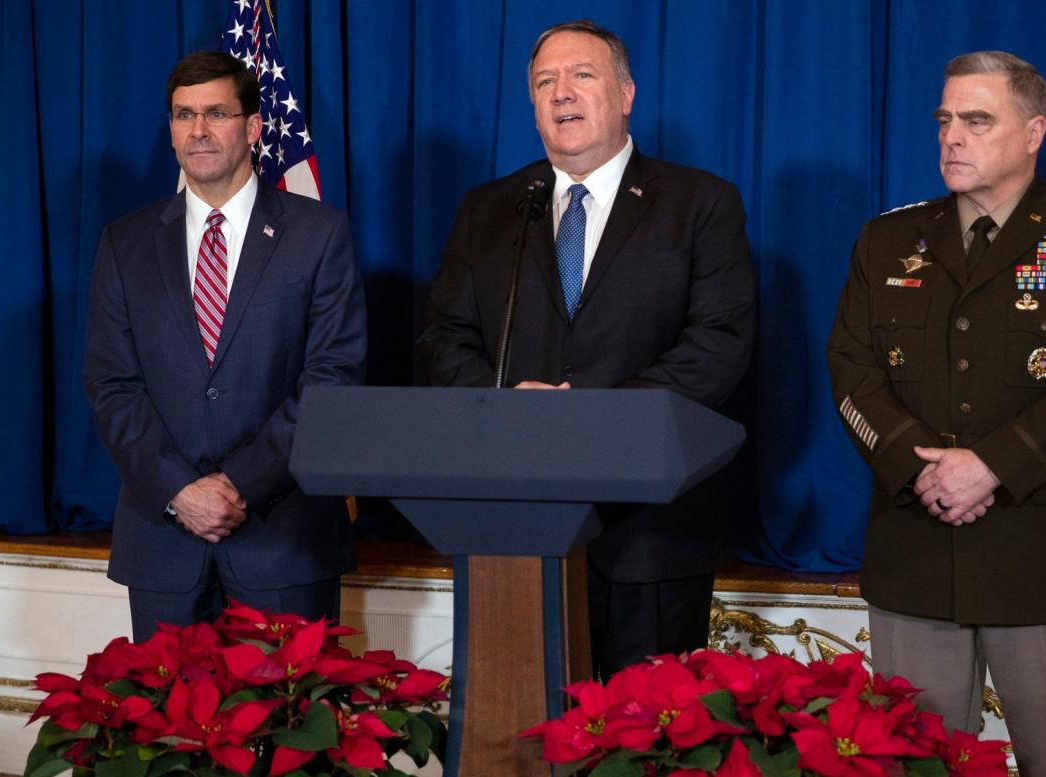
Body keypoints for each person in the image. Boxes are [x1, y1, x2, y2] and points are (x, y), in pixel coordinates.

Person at [826, 51, 1046, 775]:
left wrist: (990, 467)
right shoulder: (888, 240)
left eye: (977, 120)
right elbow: (851, 370)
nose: (952, 137)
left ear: (1033, 133)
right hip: (918, 550)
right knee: (916, 764)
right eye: (945, 120)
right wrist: (925, 470)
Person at [419, 20, 757, 678]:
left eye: (582, 76)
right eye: (545, 81)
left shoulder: (699, 204)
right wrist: (505, 402)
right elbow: (444, 339)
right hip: (515, 527)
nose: (561, 93)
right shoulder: (489, 209)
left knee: (649, 740)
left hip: (651, 534)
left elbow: (718, 345)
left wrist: (592, 412)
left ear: (626, 95)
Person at [83, 51, 367, 641]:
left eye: (216, 113)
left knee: (294, 731)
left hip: (283, 541)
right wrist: (179, 491)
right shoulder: (125, 243)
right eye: (184, 115)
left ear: (253, 127)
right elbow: (112, 386)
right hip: (164, 542)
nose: (199, 130)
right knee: (166, 733)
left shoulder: (318, 235)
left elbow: (333, 378)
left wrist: (237, 486)